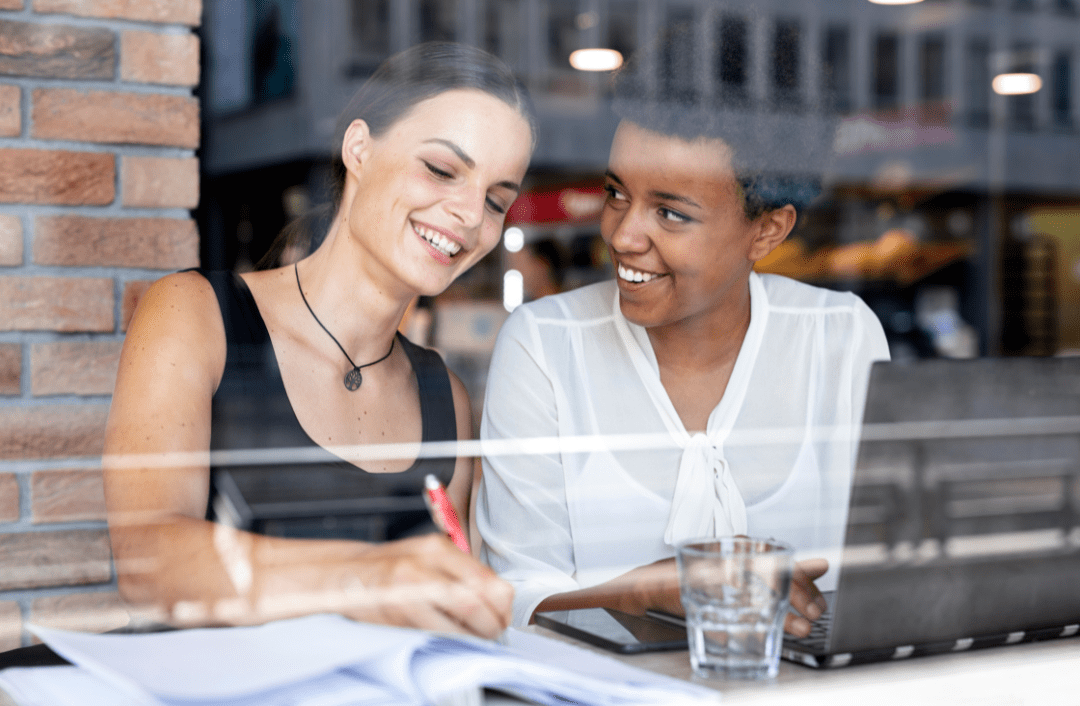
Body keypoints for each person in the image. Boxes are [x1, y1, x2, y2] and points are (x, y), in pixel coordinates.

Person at [103, 42, 535, 639]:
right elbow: (147, 560)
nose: (469, 214)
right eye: (441, 169)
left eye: (496, 201)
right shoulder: (196, 316)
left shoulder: (445, 399)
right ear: (359, 148)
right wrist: (368, 578)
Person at [475, 38, 891, 633]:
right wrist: (644, 591)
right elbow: (512, 594)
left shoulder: (839, 337)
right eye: (617, 194)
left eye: (671, 213)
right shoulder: (545, 345)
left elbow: (887, 569)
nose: (622, 236)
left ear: (767, 232)